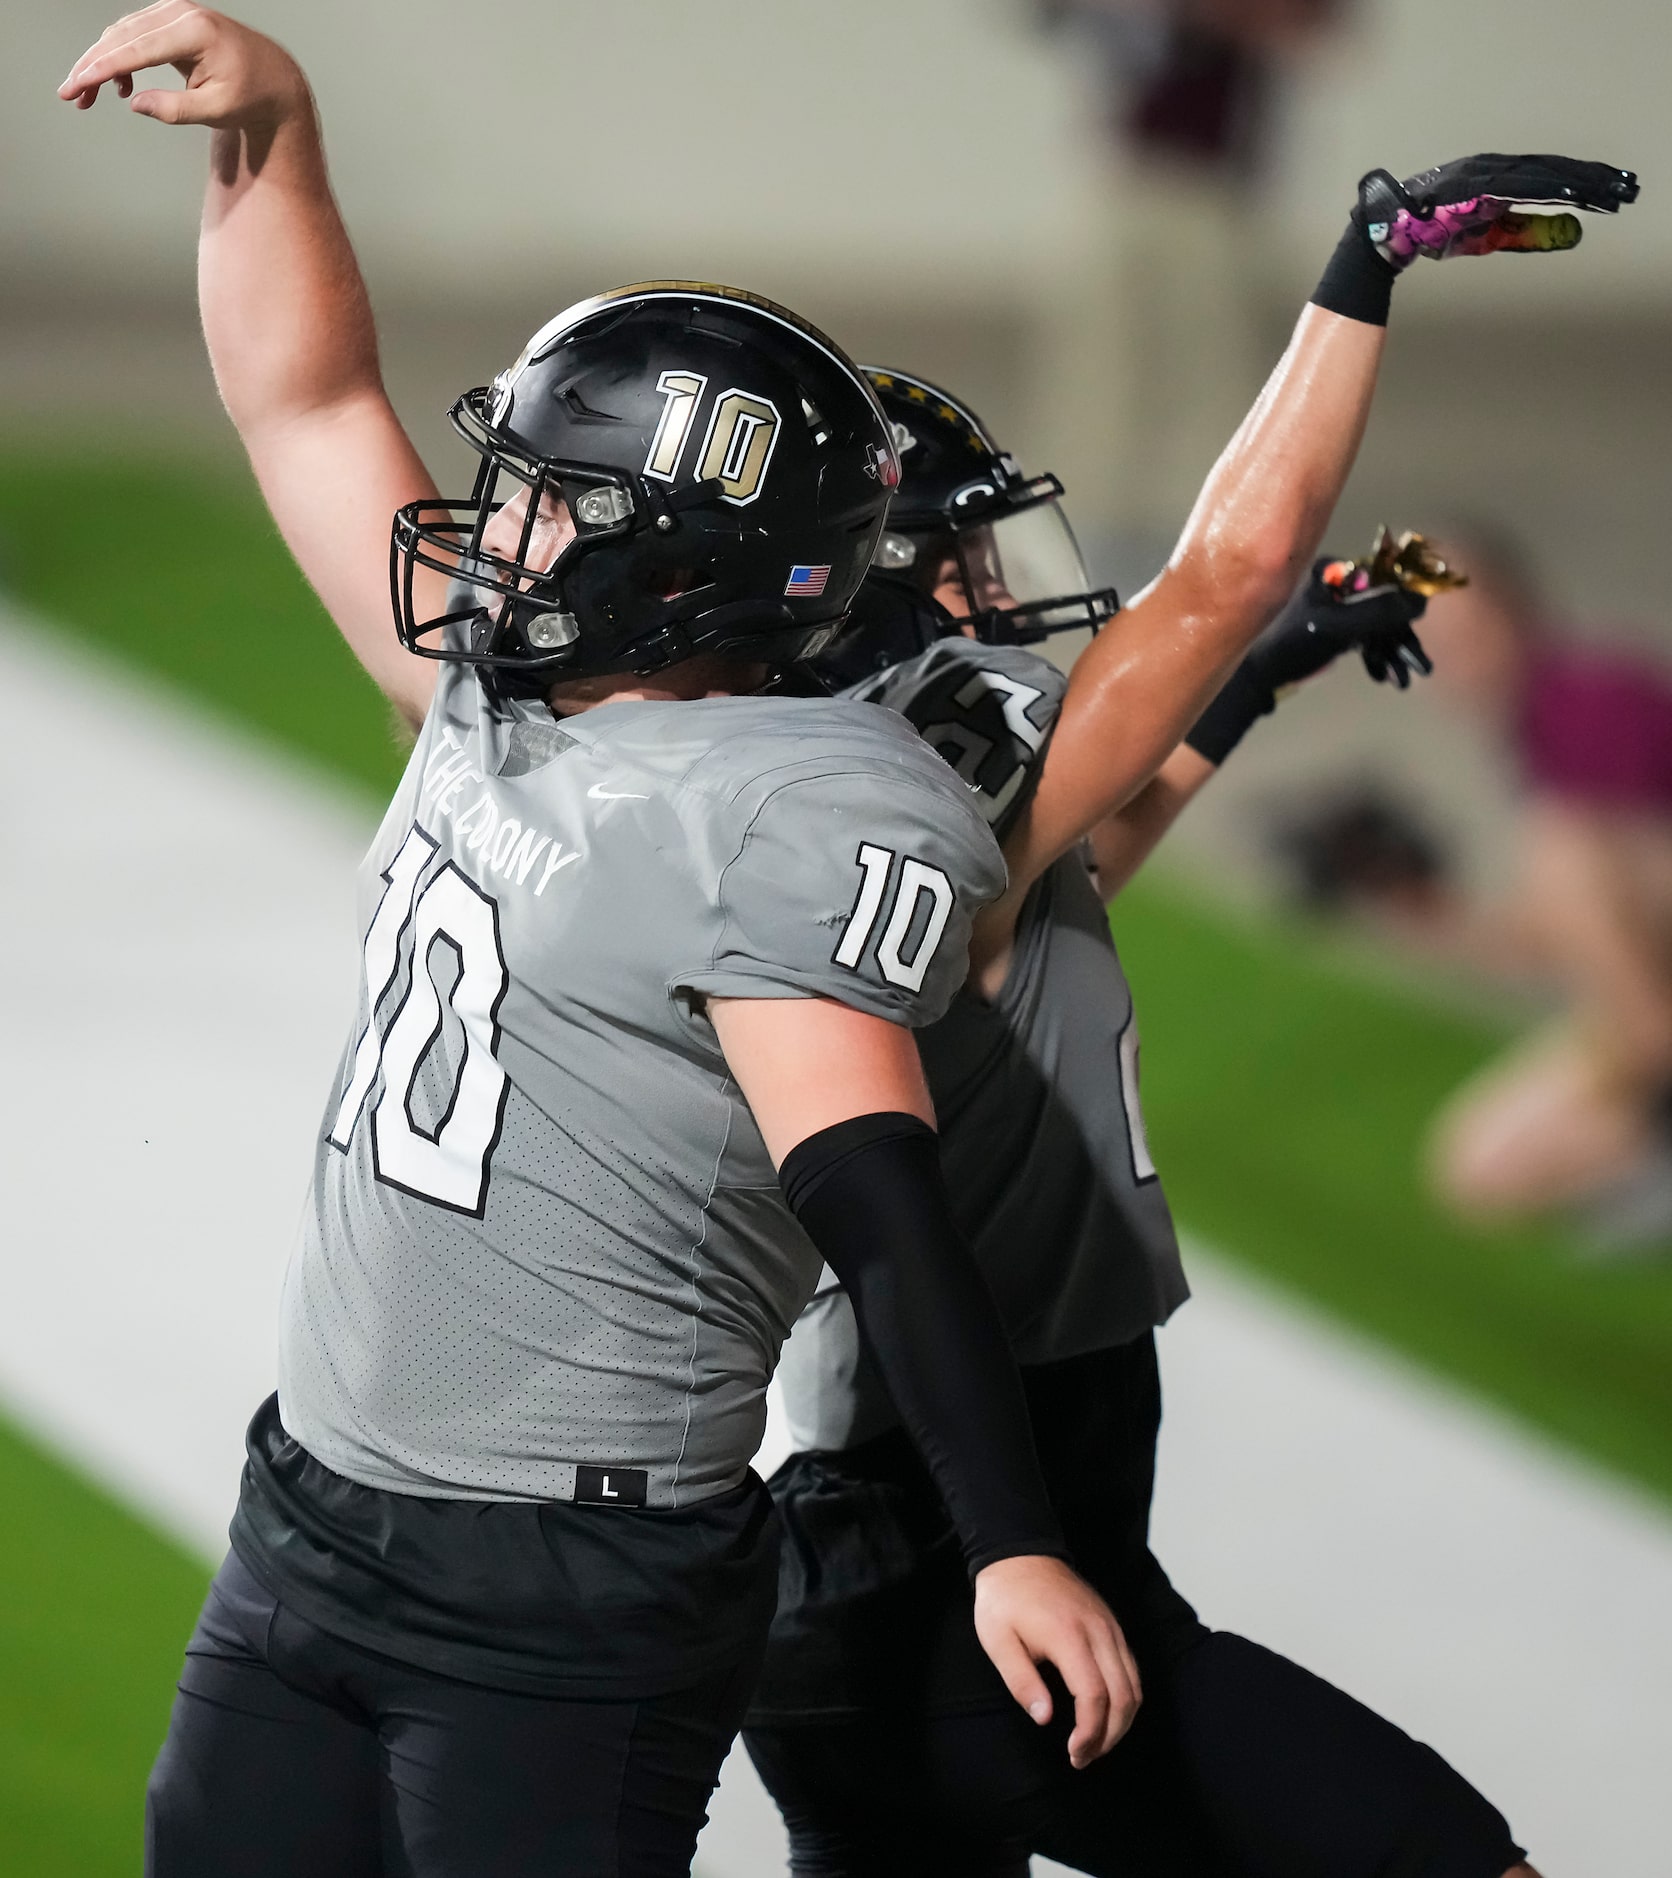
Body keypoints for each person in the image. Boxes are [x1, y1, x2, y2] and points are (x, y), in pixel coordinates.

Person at [60, 10, 1143, 1874]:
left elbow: (884, 1200)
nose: (499, 524)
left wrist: (1013, 1537)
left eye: (556, 499)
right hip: (312, 1503)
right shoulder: (503, 690)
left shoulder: (788, 808)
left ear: (684, 561)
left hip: (570, 1575)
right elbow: (303, 395)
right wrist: (281, 130)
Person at [740, 376, 1547, 1877]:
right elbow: (1165, 664)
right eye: (965, 558)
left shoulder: (865, 808)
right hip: (948, 1565)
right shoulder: (893, 817)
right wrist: (1361, 283)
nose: (1004, 588)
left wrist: (1261, 674)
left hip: (871, 1579)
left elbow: (1081, 845)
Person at [1380, 526, 1672, 1247]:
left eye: (1460, 626)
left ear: (1515, 612)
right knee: (1479, 1166)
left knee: (1562, 849)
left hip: (1651, 1018)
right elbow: (1568, 939)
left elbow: (1606, 898)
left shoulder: (1592, 703)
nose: (1446, 654)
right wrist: (1437, 920)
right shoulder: (1533, 736)